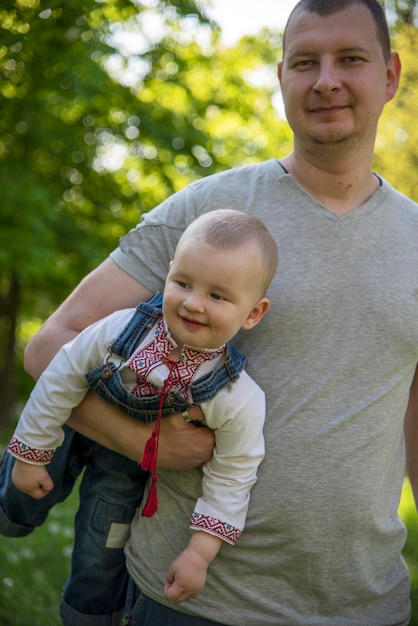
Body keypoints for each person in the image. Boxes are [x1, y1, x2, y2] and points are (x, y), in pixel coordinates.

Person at [3, 0, 418, 623]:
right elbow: (50, 345)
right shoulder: (211, 211)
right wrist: (144, 441)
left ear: (390, 75)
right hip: (187, 598)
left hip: (365, 603)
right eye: (305, 62)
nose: (325, 79)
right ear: (281, 76)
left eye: (350, 59)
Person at [1, 210, 277, 620]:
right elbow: (61, 376)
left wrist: (199, 553)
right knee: (18, 491)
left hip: (126, 466)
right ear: (168, 276)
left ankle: (86, 615)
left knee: (101, 549)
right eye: (183, 283)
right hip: (74, 418)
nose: (193, 303)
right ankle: (13, 509)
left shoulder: (235, 395)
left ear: (253, 313)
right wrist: (31, 455)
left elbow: (234, 473)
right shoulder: (122, 329)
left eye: (217, 296)